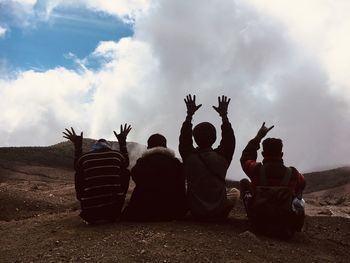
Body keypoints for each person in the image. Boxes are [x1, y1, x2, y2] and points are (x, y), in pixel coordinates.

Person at [240, 122, 306, 238]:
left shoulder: (256, 169)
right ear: (282, 154)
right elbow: (303, 184)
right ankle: (292, 223)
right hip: (285, 227)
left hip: (259, 224)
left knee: (244, 183)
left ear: (263, 153)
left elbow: (245, 158)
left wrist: (258, 137)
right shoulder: (294, 173)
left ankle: (255, 219)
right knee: (298, 194)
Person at [179, 94, 238, 220]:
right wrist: (224, 116)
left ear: (194, 138)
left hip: (196, 212)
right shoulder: (223, 158)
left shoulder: (189, 158)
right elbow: (229, 141)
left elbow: (184, 139)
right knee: (235, 192)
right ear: (215, 138)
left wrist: (189, 115)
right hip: (219, 212)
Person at [63, 124, 132, 224]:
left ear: (94, 148)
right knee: (125, 171)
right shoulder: (116, 155)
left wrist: (78, 146)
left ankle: (86, 204)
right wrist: (122, 141)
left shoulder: (84, 158)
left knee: (78, 173)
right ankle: (119, 199)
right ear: (108, 147)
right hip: (114, 212)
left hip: (90, 214)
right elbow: (126, 163)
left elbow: (76, 167)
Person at [122, 133, 187, 221]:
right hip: (172, 212)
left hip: (143, 211)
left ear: (149, 147)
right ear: (166, 147)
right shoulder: (176, 163)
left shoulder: (142, 163)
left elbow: (135, 176)